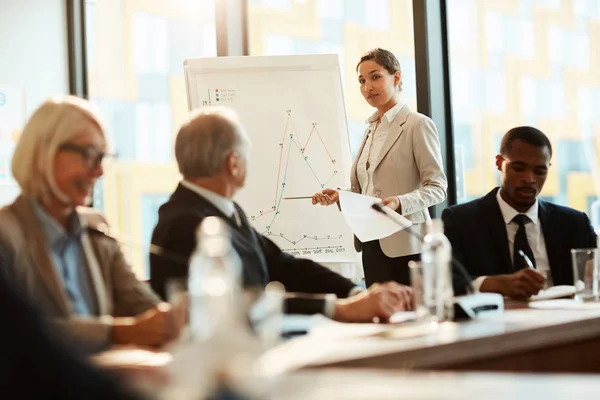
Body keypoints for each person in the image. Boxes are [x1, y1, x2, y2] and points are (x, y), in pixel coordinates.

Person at [150, 107, 413, 323]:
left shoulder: (221, 209)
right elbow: (239, 303)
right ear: (233, 164)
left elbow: (280, 264)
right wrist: (338, 308)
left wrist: (355, 292)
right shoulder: (184, 223)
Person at [0, 96, 182, 353]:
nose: (99, 172)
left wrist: (175, 317)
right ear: (44, 152)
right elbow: (15, 333)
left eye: (102, 158)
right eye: (88, 155)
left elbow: (142, 305)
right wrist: (116, 332)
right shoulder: (5, 234)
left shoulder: (96, 227)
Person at [312, 48, 447, 286]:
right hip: (370, 242)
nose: (367, 87)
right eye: (362, 81)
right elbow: (369, 189)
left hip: (405, 246)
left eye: (375, 77)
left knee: (409, 318)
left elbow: (438, 187)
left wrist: (400, 202)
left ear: (396, 78)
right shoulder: (370, 129)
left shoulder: (417, 124)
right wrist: (341, 196)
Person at [442, 126, 598, 299]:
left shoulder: (573, 222)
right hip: (495, 321)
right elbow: (444, 280)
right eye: (519, 168)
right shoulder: (461, 220)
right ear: (499, 163)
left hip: (566, 319)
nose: (529, 179)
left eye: (539, 171)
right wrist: (495, 284)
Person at [0, 244, 144, 399]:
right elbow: (21, 342)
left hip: (97, 373)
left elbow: (140, 301)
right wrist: (118, 332)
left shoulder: (96, 231)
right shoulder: (6, 232)